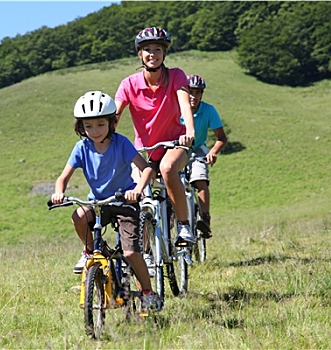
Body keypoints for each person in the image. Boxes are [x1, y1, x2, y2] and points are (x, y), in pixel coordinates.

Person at [51, 90, 156, 307]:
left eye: (100, 124)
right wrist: (59, 192)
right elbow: (63, 177)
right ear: (81, 127)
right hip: (99, 204)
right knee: (79, 216)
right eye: (88, 126)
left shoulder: (121, 143)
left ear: (111, 123)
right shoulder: (81, 148)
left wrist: (137, 189)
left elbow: (146, 169)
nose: (95, 131)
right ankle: (90, 251)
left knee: (130, 252)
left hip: (125, 202)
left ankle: (148, 292)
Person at [114, 27, 196, 248]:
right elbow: (115, 115)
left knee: (168, 169)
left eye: (158, 49)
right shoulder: (128, 84)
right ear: (139, 54)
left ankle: (184, 225)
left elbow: (184, 103)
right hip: (144, 152)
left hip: (174, 144)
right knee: (137, 196)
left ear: (164, 53)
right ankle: (145, 250)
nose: (153, 54)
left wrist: (190, 131)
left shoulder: (176, 76)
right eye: (147, 49)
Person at [181, 74, 227, 238]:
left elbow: (222, 138)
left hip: (198, 149)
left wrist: (213, 151)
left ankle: (205, 218)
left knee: (200, 179)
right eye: (190, 92)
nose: (193, 96)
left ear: (202, 94)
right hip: (177, 149)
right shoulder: (175, 107)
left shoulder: (208, 110)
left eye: (197, 92)